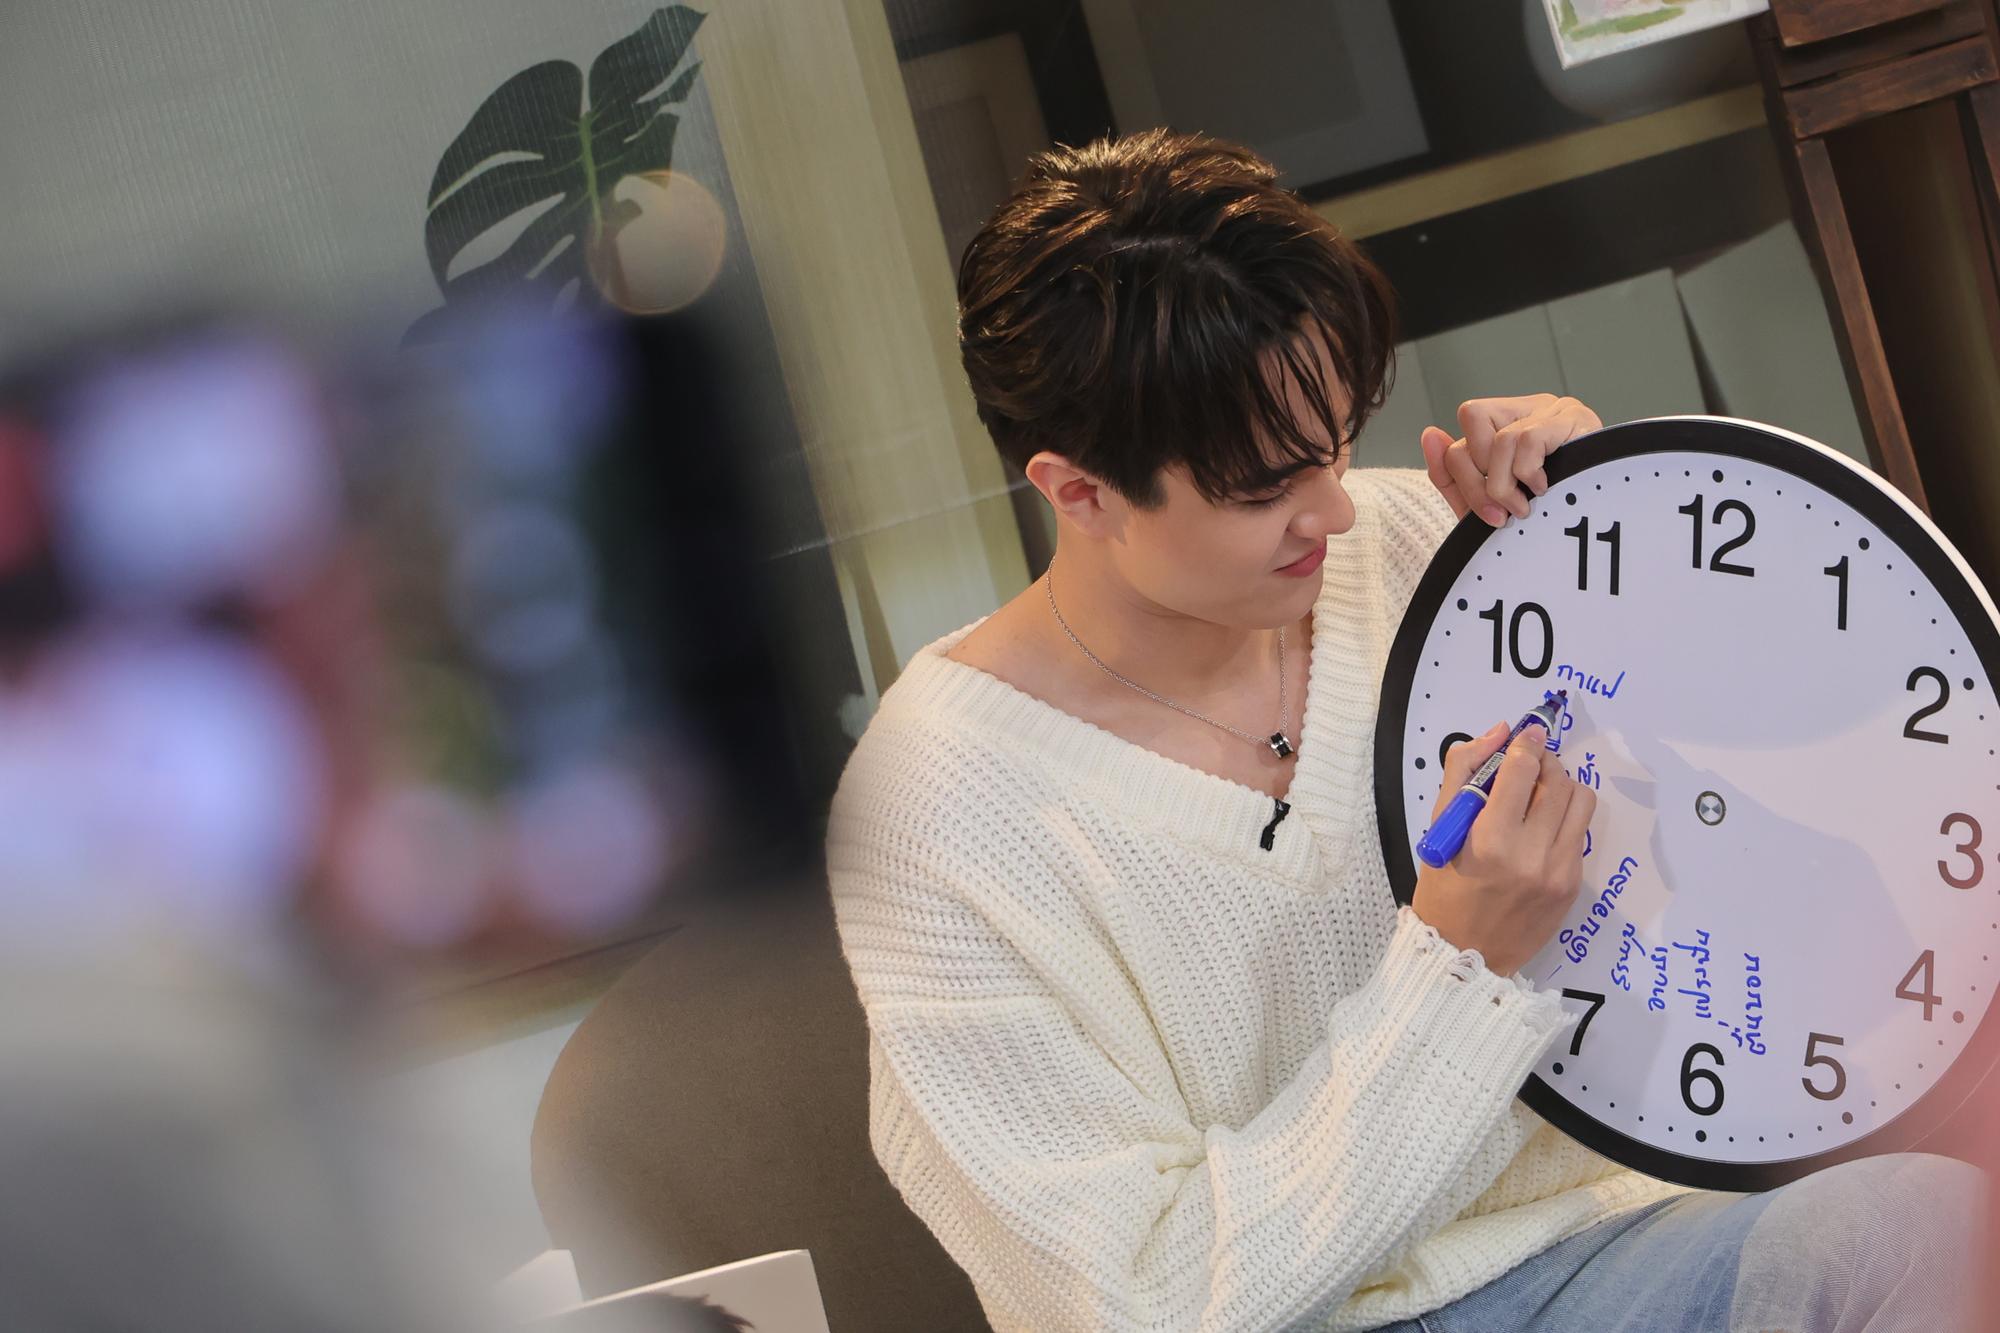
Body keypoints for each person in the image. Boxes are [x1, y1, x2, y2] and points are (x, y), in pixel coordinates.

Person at [823, 129, 1983, 1332]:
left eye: (1334, 440)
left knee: (1929, 1232)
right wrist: (1456, 962)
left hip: (1618, 1239)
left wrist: (1612, 531)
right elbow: (1132, 1302)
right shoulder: (938, 813)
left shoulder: (1420, 545)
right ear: (1079, 492)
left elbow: (1731, 855)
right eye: (1264, 486)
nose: (1332, 508)